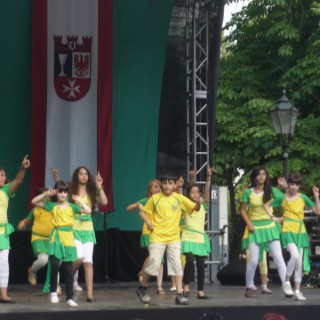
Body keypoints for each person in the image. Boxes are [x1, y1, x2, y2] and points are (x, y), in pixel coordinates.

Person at [136, 171, 201, 305]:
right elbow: (142, 213)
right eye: (164, 183)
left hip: (174, 237)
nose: (166, 186)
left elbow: (194, 207)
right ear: (161, 184)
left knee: (177, 264)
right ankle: (142, 288)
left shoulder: (178, 198)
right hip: (158, 236)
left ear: (175, 184)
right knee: (153, 262)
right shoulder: (155, 198)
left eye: (170, 183)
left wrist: (199, 203)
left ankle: (179, 294)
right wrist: (148, 222)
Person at [31, 180, 92, 307]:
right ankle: (53, 292)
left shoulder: (72, 207)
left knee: (69, 270)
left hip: (68, 239)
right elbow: (34, 201)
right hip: (56, 237)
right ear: (56, 193)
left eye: (65, 192)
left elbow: (88, 211)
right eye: (60, 192)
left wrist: (79, 200)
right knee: (54, 265)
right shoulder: (52, 206)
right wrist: (46, 194)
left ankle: (69, 297)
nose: (63, 194)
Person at [52, 167, 108, 302]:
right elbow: (61, 192)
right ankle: (65, 277)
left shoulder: (92, 191)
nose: (83, 176)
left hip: (88, 230)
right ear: (76, 176)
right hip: (74, 229)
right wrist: (56, 178)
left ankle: (90, 295)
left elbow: (104, 202)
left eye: (86, 174)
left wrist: (99, 186)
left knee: (89, 262)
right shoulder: (71, 190)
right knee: (79, 258)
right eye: (80, 174)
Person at [264, 172, 320, 301]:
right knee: (294, 256)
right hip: (288, 228)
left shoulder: (304, 197)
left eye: (297, 184)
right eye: (292, 184)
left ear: (299, 186)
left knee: (299, 263)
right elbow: (266, 205)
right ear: (288, 184)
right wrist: (274, 217)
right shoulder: (282, 197)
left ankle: (297, 291)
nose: (294, 187)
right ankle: (287, 282)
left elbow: (317, 212)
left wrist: (316, 197)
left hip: (300, 231)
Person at [240, 166, 288, 298]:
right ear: (254, 177)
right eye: (259, 174)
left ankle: (287, 286)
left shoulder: (271, 191)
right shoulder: (248, 192)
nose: (261, 177)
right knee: (254, 261)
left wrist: (283, 187)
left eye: (263, 174)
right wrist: (249, 223)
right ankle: (249, 287)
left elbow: (285, 198)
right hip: (255, 228)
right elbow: (242, 210)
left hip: (270, 226)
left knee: (278, 258)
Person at [126, 179, 166, 294]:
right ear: (150, 190)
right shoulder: (147, 200)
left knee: (158, 258)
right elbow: (128, 208)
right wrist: (138, 205)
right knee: (156, 256)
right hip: (148, 232)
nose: (158, 188)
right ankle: (157, 285)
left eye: (159, 187)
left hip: (159, 232)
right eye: (155, 187)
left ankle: (156, 283)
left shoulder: (163, 201)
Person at [0, 155, 30, 303]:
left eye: (3, 175)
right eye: (0, 175)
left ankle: (3, 294)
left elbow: (18, 181)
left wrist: (23, 169)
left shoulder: (5, 190)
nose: (2, 177)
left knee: (4, 263)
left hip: (3, 233)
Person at [181, 168, 214, 299]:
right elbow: (185, 192)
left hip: (199, 237)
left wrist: (208, 178)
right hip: (188, 236)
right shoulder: (187, 204)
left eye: (197, 192)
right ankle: (186, 285)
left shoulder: (203, 204)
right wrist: (191, 179)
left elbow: (206, 191)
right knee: (189, 261)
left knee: (201, 265)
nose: (195, 194)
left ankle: (200, 291)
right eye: (192, 192)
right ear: (188, 194)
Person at [18, 188, 55, 287]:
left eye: (48, 196)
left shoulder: (54, 208)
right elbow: (28, 220)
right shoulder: (35, 209)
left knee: (55, 263)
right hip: (38, 238)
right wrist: (23, 222)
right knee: (43, 260)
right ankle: (32, 270)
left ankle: (56, 286)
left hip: (52, 238)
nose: (47, 198)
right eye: (44, 196)